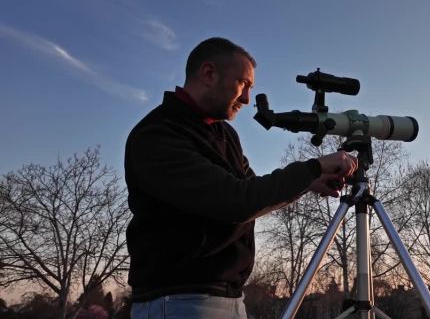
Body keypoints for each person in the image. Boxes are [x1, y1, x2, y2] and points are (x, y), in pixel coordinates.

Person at [125, 37, 357, 319]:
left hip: (228, 297)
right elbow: (238, 201)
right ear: (209, 74)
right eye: (243, 84)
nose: (247, 99)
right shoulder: (158, 134)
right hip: (179, 301)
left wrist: (308, 182)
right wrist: (312, 169)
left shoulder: (223, 134)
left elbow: (252, 190)